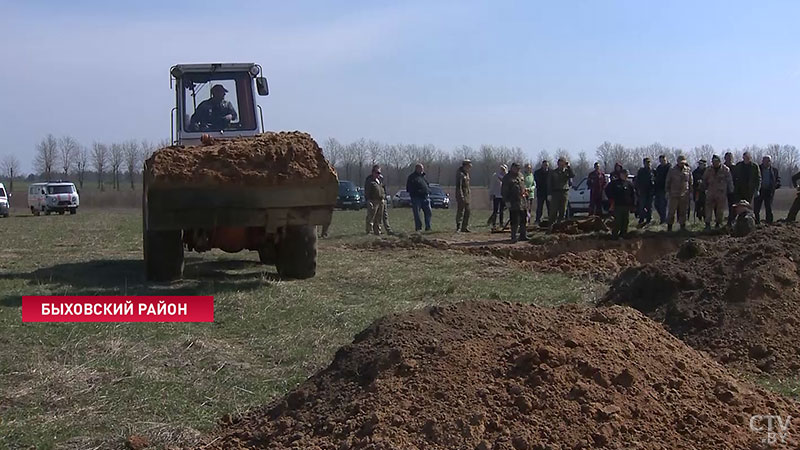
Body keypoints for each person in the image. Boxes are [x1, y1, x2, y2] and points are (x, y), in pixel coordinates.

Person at [702, 155, 733, 230]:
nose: (714, 163)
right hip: (711, 192)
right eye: (713, 161)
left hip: (721, 193)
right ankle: (707, 224)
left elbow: (729, 181)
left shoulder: (725, 169)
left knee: (720, 210)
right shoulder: (708, 170)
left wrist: (731, 190)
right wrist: (703, 189)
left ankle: (718, 223)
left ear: (719, 161)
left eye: (716, 161)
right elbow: (704, 180)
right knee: (708, 208)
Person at [605, 168, 636, 239]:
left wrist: (633, 205)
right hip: (617, 205)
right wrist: (611, 199)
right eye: (624, 174)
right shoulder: (615, 183)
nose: (625, 176)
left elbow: (633, 195)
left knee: (625, 221)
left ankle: (623, 234)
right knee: (618, 221)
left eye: (626, 175)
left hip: (626, 206)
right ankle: (614, 236)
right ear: (621, 174)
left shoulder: (629, 184)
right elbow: (607, 190)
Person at [501, 162, 528, 243]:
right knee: (514, 219)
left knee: (523, 218)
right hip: (513, 201)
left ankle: (523, 235)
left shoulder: (521, 175)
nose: (517, 170)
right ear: (512, 168)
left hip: (522, 201)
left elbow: (523, 186)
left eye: (518, 168)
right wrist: (506, 201)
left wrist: (525, 192)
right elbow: (504, 191)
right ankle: (513, 236)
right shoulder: (507, 177)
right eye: (516, 168)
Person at [665, 155, 692, 232]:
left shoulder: (688, 170)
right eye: (681, 163)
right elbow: (668, 181)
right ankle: (669, 227)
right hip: (674, 194)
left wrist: (690, 192)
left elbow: (690, 182)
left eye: (683, 163)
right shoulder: (672, 170)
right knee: (671, 212)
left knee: (683, 212)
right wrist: (667, 191)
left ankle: (682, 227)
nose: (682, 164)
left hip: (684, 195)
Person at [548, 157, 575, 227]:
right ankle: (551, 225)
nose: (561, 165)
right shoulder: (554, 172)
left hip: (564, 192)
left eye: (563, 163)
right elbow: (550, 183)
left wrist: (568, 167)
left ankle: (559, 225)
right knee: (554, 210)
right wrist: (549, 194)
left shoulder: (567, 171)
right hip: (555, 193)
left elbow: (573, 175)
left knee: (563, 210)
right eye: (560, 163)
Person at [753, 155, 780, 225]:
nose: (766, 163)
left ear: (770, 162)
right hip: (760, 191)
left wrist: (775, 185)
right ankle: (757, 222)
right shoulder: (758, 169)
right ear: (762, 161)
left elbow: (778, 180)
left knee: (769, 208)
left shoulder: (774, 170)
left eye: (768, 161)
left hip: (769, 192)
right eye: (765, 161)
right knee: (756, 208)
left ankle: (769, 223)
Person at [406, 163, 432, 232]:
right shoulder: (412, 177)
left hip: (425, 197)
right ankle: (418, 228)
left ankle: (428, 227)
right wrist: (418, 192)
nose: (422, 170)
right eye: (421, 168)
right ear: (417, 169)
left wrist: (428, 191)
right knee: (417, 214)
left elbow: (427, 185)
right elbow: (409, 188)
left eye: (423, 169)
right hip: (416, 198)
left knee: (428, 212)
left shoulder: (423, 177)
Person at [364, 165, 386, 235]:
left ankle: (377, 231)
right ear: (373, 172)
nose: (378, 174)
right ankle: (369, 231)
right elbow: (367, 191)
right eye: (377, 172)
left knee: (379, 217)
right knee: (371, 217)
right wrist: (368, 200)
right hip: (373, 200)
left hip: (380, 200)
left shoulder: (380, 180)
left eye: (379, 173)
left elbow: (383, 189)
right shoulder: (369, 180)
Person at [635, 158, 655, 226]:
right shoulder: (641, 171)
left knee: (649, 206)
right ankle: (641, 219)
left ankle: (649, 219)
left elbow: (655, 180)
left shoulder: (653, 171)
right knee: (642, 206)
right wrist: (638, 190)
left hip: (650, 191)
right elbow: (637, 181)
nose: (648, 164)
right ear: (644, 163)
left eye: (649, 162)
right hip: (643, 191)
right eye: (646, 162)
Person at [487, 164, 508, 230]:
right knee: (495, 210)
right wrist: (491, 193)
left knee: (502, 210)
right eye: (501, 169)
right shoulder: (495, 175)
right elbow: (492, 185)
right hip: (496, 195)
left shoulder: (507, 176)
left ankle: (501, 223)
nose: (502, 170)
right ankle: (494, 223)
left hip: (503, 195)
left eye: (504, 169)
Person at [455, 159, 472, 232]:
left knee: (468, 211)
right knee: (460, 211)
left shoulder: (466, 174)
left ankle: (464, 227)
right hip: (461, 194)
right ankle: (458, 226)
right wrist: (461, 196)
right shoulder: (460, 174)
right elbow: (459, 186)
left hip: (466, 194)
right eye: (469, 165)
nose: (470, 167)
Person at [654, 155, 671, 224]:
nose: (662, 162)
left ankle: (664, 220)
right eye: (661, 161)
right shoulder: (659, 168)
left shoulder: (669, 168)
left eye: (663, 160)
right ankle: (663, 217)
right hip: (658, 189)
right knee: (656, 204)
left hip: (665, 189)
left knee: (663, 205)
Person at [724, 152, 736, 226]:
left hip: (731, 189)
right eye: (727, 158)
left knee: (732, 205)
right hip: (722, 189)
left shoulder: (735, 167)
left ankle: (731, 220)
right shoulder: (722, 167)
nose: (729, 159)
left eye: (730, 158)